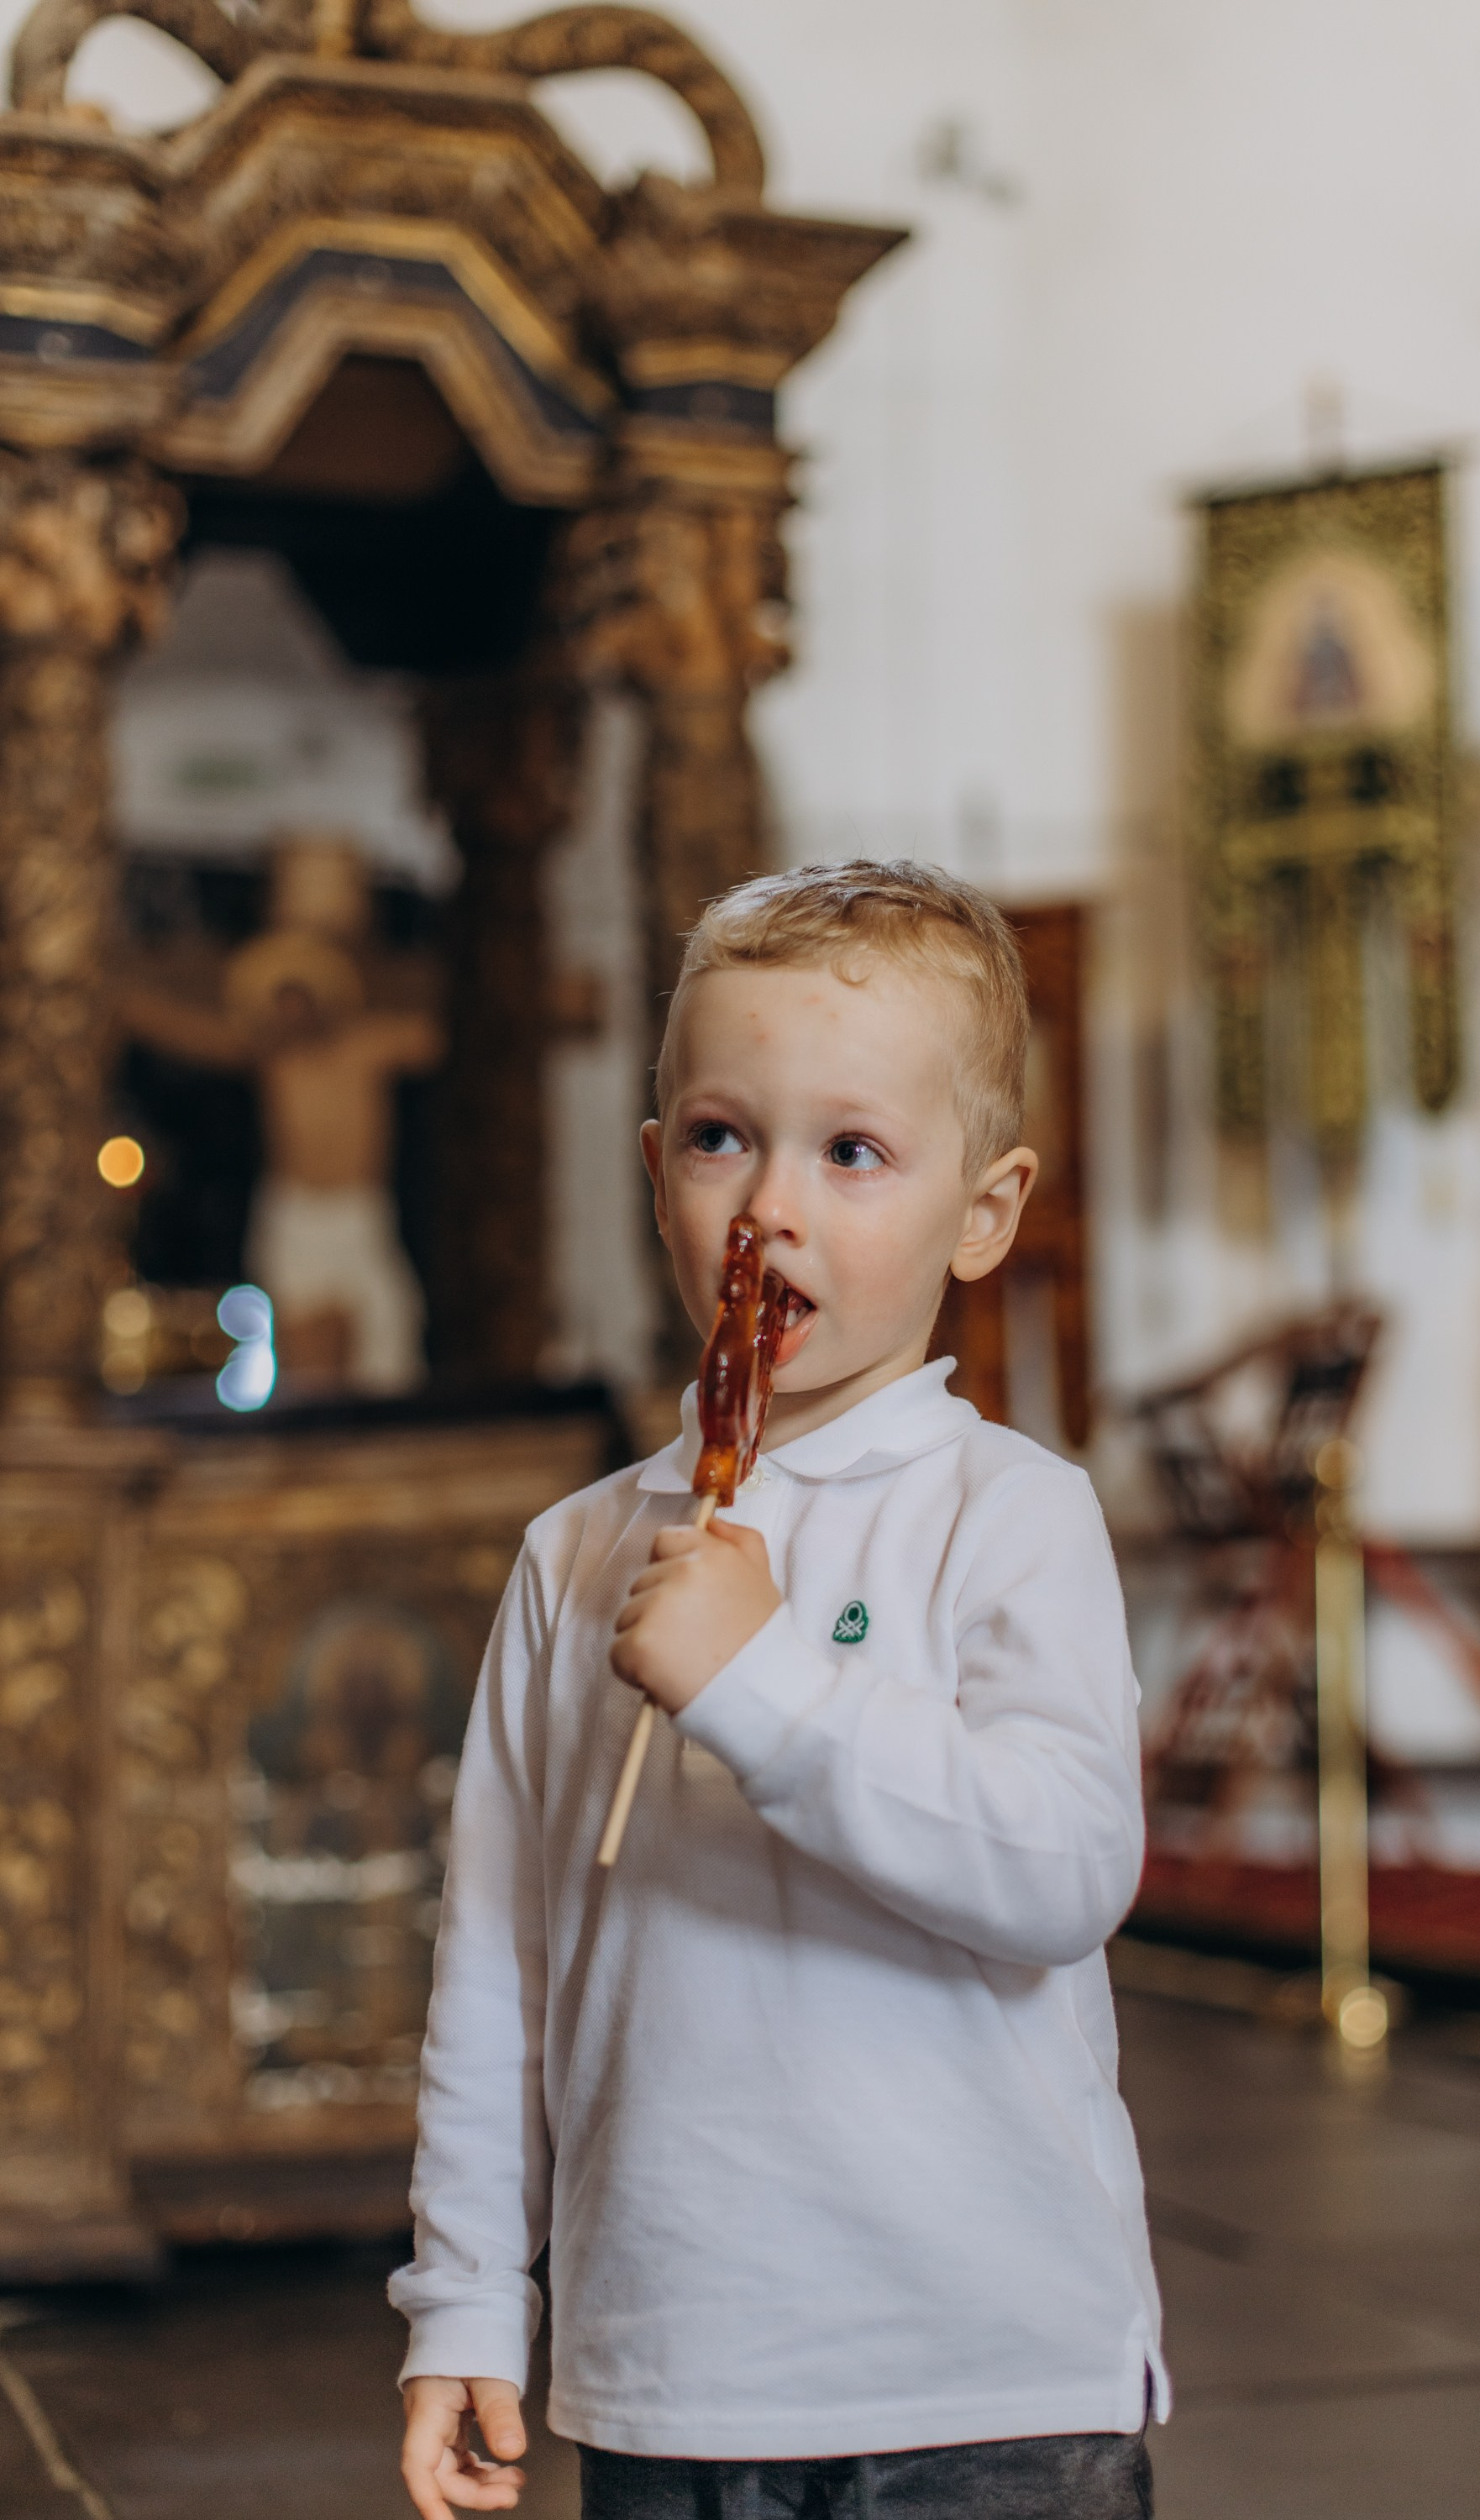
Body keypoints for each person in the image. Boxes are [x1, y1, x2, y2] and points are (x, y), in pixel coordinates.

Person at [391, 861, 1166, 2520]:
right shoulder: (574, 1555)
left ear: (984, 1210)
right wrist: (465, 2297)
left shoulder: (1008, 1513)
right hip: (670, 2363)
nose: (773, 1210)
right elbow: (495, 1977)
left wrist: (766, 1684)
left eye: (854, 1150)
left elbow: (1060, 1873)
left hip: (986, 2370)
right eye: (726, 1136)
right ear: (657, 1169)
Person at [123, 919, 442, 1392]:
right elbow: (193, 1033)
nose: (293, 1012)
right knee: (311, 1364)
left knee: (387, 1350)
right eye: (282, 1003)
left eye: (302, 999)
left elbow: (438, 1034)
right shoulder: (271, 1059)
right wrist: (125, 1000)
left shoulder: (369, 1048)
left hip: (361, 1215)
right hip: (298, 1218)